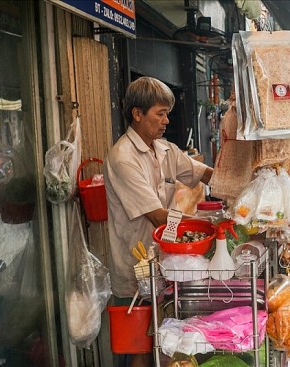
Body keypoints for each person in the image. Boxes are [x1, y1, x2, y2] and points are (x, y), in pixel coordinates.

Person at [104, 76, 213, 367]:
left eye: (168, 114)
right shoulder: (122, 157)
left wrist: (244, 189)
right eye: (160, 114)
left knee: (164, 340)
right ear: (137, 114)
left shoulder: (164, 149)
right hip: (135, 265)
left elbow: (202, 172)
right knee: (141, 347)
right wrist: (203, 228)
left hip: (163, 263)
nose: (166, 121)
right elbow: (157, 218)